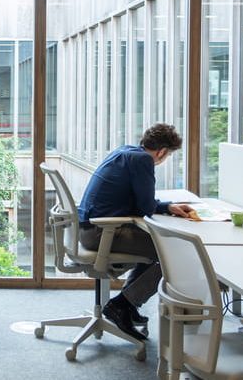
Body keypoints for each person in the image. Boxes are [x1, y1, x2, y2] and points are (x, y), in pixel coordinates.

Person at [76, 123, 196, 341]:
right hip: (100, 233)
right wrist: (160, 206)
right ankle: (123, 304)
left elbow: (141, 203)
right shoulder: (143, 161)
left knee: (156, 245)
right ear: (161, 152)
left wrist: (168, 207)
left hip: (90, 229)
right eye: (167, 155)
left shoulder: (126, 151)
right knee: (172, 253)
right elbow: (145, 207)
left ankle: (127, 304)